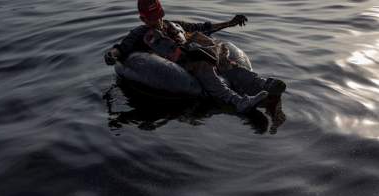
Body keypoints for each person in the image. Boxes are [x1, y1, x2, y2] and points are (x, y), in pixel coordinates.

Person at [105, 0, 286, 113]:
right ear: (143, 19)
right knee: (203, 66)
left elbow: (202, 27)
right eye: (152, 18)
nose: (157, 21)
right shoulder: (140, 33)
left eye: (159, 15)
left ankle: (261, 84)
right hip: (182, 63)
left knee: (225, 61)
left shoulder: (174, 25)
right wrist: (111, 55)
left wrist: (230, 22)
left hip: (197, 51)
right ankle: (238, 102)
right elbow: (121, 48)